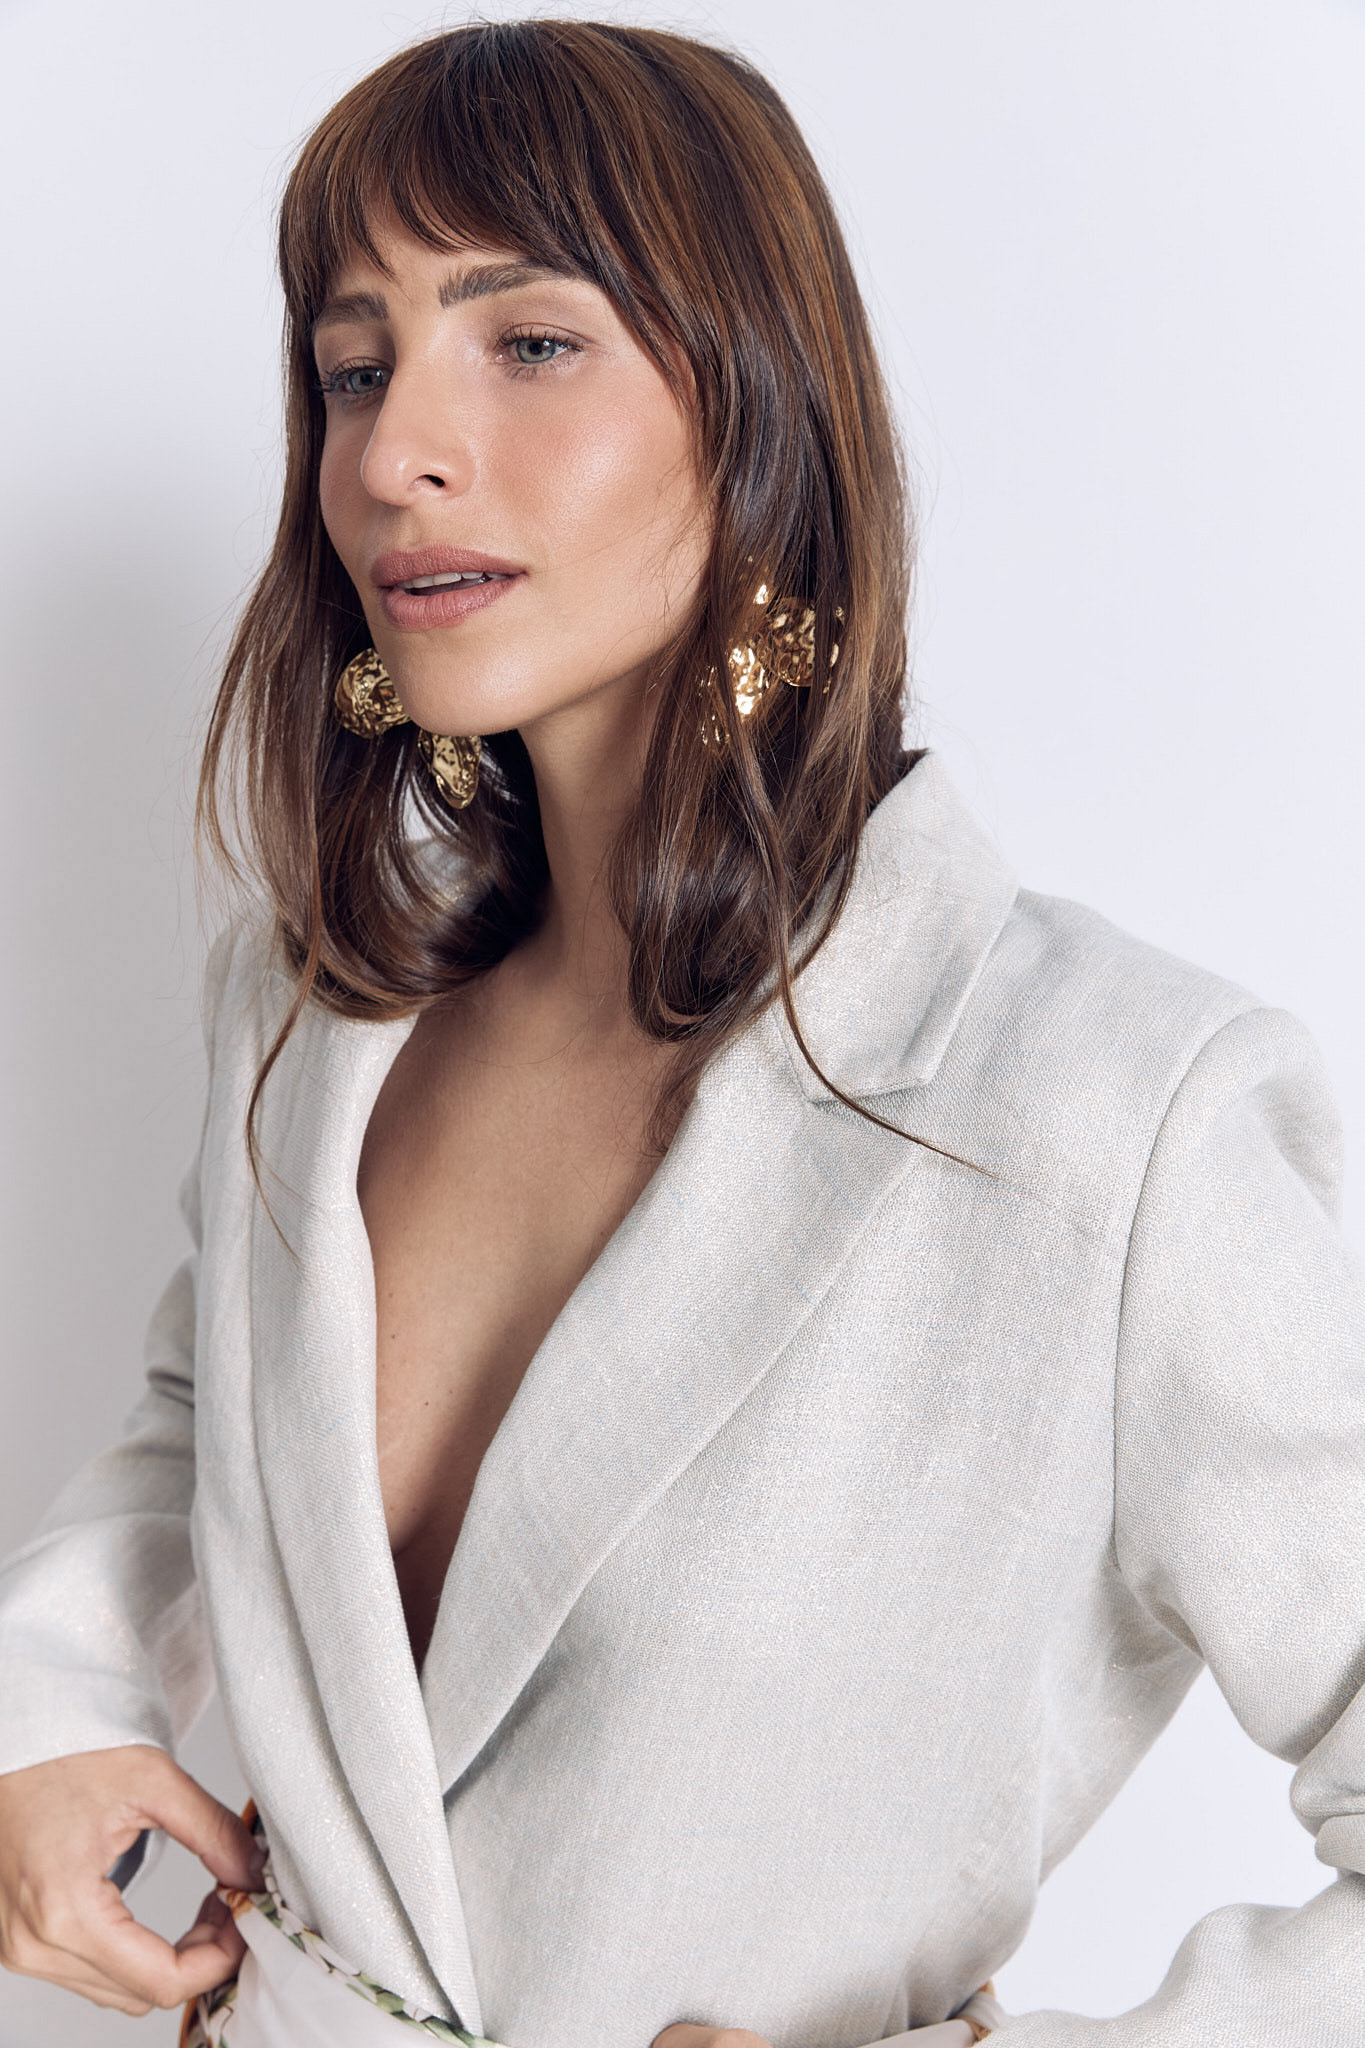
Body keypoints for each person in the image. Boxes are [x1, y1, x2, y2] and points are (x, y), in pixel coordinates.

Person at [0, 18, 1360, 2048]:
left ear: (753, 410)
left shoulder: (1117, 1108)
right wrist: (46, 1704)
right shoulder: (309, 1016)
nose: (392, 452)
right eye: (355, 366)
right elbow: (213, 1411)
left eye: (529, 342)